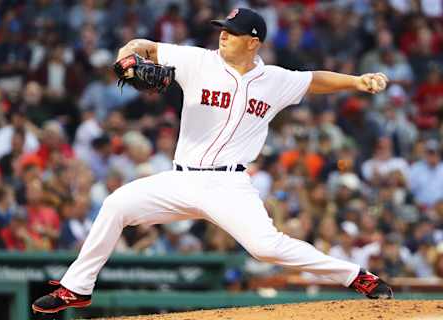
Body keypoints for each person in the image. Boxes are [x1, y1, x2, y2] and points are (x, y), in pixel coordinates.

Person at [32, 8, 393, 314]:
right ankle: (76, 288)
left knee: (265, 247)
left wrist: (358, 82)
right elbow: (144, 46)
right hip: (181, 179)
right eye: (223, 29)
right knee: (115, 205)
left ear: (253, 42)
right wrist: (126, 54)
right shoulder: (198, 60)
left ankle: (356, 276)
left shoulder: (274, 80)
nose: (223, 36)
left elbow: (315, 80)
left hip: (229, 186)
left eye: (232, 33)